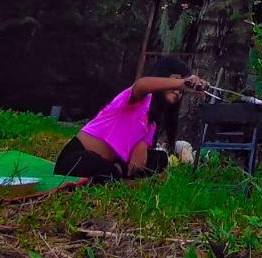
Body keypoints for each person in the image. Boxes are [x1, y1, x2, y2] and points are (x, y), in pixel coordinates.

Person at [54, 57, 207, 181]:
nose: (178, 90)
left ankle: (117, 175)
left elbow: (138, 159)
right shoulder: (138, 98)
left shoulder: (153, 121)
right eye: (174, 81)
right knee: (102, 168)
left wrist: (141, 147)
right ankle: (120, 178)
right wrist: (183, 83)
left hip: (113, 162)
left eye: (182, 90)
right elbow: (142, 84)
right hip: (76, 158)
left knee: (160, 158)